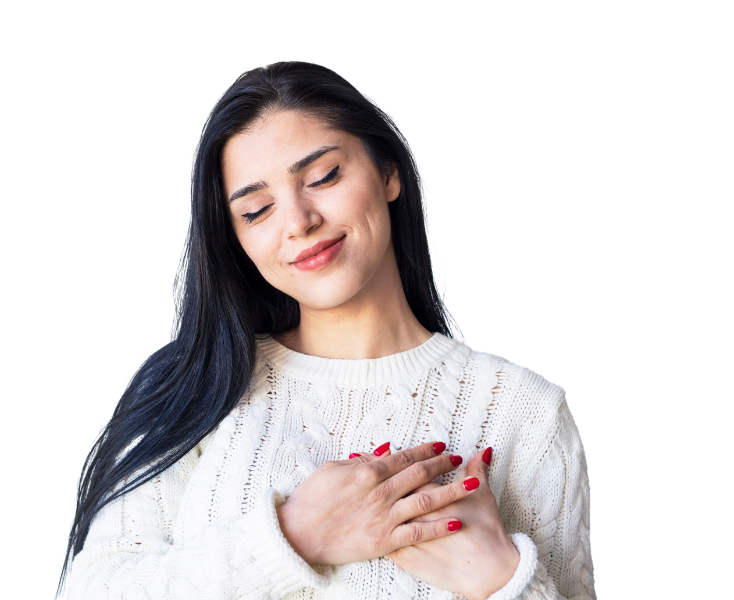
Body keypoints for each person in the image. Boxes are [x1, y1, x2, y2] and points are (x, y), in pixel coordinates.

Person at [59, 61, 596, 600]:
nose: (298, 221)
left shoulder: (525, 414)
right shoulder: (195, 387)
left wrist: (501, 579)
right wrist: (295, 537)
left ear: (388, 174)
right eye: (257, 209)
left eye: (323, 177)